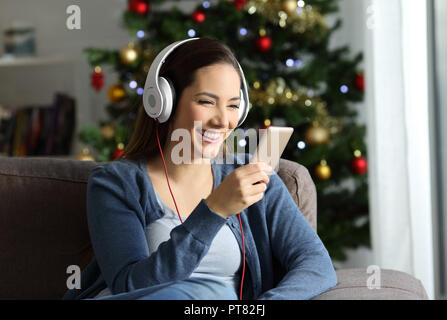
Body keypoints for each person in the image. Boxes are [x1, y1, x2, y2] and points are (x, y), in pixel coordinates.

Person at [62, 37, 337, 300]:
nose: (222, 120)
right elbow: (130, 286)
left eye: (232, 106)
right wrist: (214, 210)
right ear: (163, 102)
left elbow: (316, 265)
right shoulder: (116, 182)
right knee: (206, 294)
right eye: (206, 102)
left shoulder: (254, 179)